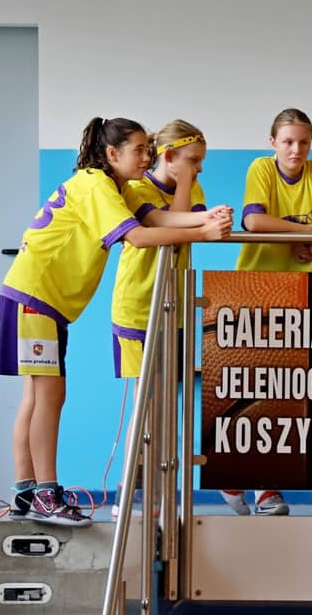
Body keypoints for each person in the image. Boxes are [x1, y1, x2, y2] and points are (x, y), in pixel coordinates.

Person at [0, 117, 232, 527]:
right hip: (36, 298)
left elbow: (156, 219)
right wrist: (202, 234)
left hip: (38, 299)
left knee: (36, 398)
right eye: (139, 150)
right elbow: (137, 237)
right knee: (49, 397)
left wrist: (205, 217)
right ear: (112, 153)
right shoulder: (96, 185)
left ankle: (27, 491)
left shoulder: (112, 186)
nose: (147, 156)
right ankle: (46, 495)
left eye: (149, 149)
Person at [223, 107, 312, 517]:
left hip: (300, 296)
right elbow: (254, 221)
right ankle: (244, 478)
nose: (296, 149)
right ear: (273, 143)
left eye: (304, 142)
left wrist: (305, 235)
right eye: (288, 141)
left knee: (285, 393)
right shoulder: (261, 168)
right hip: (253, 292)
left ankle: (260, 485)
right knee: (247, 392)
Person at [109, 119, 209, 520]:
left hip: (175, 305)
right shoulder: (138, 189)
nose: (198, 169)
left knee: (168, 405)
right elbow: (175, 227)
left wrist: (187, 183)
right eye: (193, 161)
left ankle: (161, 491)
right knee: (145, 405)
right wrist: (183, 183)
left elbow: (192, 221)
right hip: (139, 304)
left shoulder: (194, 188)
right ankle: (128, 493)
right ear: (169, 156)